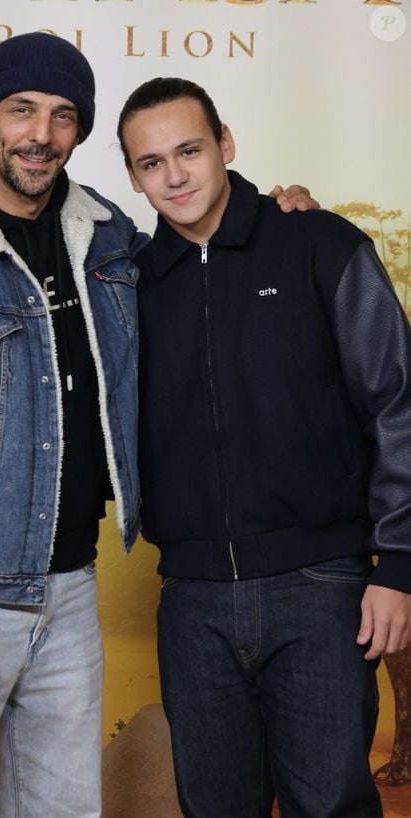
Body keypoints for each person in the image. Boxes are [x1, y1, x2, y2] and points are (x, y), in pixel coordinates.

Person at [0, 33, 315, 817]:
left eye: (65, 116)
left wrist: (273, 210)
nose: (43, 134)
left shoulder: (105, 240)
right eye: (22, 110)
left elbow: (195, 238)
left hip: (69, 592)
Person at [117, 77, 411, 818]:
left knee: (331, 804)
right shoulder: (133, 288)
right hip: (191, 601)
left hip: (321, 590)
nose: (174, 175)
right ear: (132, 177)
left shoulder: (321, 243)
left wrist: (401, 564)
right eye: (151, 163)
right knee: (216, 807)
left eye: (189, 150)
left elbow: (397, 404)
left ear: (226, 145)